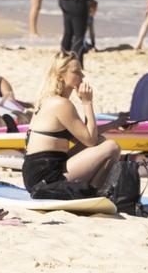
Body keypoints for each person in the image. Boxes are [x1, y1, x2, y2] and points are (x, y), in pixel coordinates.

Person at [22, 54, 120, 195]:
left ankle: (92, 191)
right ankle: (94, 193)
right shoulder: (61, 104)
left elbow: (84, 136)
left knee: (101, 141)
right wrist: (87, 103)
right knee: (112, 147)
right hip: (45, 177)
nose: (83, 75)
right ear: (60, 76)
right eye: (77, 72)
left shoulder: (48, 100)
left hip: (37, 171)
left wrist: (114, 124)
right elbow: (90, 140)